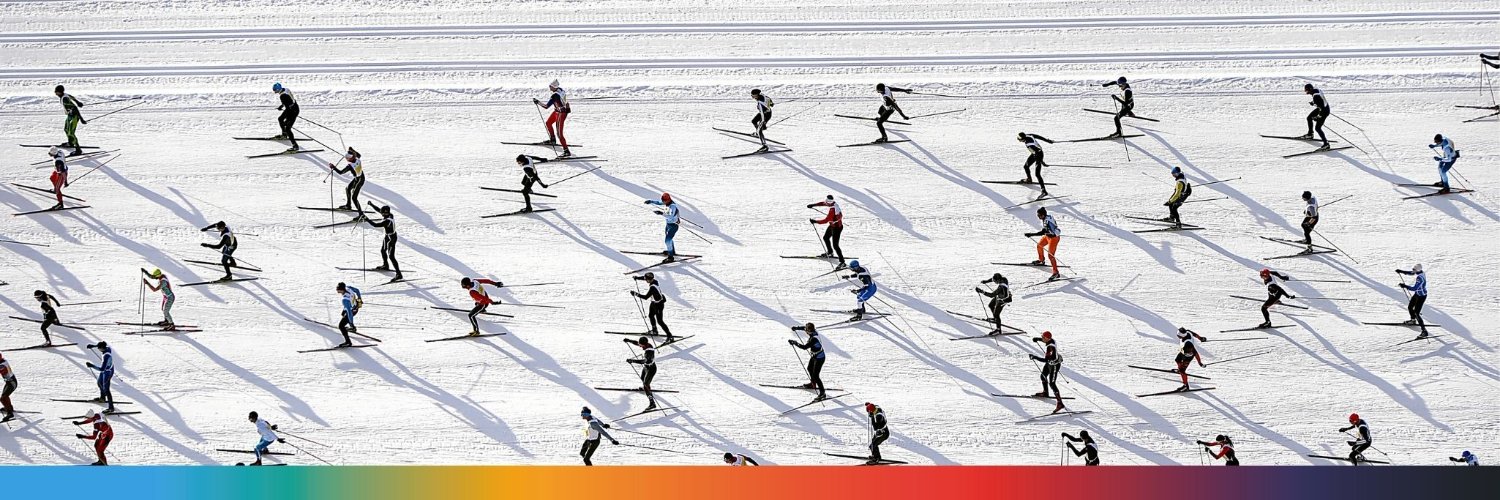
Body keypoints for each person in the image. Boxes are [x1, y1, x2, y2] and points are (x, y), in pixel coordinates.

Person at [363, 204, 403, 281]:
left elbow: (375, 225)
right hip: (387, 236)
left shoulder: (387, 221)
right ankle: (385, 265)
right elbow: (379, 210)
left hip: (391, 238)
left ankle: (399, 274)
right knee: (382, 250)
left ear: (386, 213)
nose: (382, 214)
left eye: (384, 213)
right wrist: (371, 204)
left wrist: (366, 219)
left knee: (391, 256)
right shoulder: (390, 215)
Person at [1029, 331, 1066, 414]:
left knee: (1052, 383)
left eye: (1043, 337)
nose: (1042, 338)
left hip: (1054, 366)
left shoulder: (1051, 348)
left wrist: (1034, 357)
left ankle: (1060, 403)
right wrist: (1037, 339)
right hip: (1049, 364)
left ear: (1047, 338)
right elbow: (1047, 340)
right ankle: (1045, 392)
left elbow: (1046, 360)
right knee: (1043, 376)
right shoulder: (1051, 340)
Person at [534, 79, 572, 157]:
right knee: (548, 123)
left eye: (550, 86)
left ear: (554, 87)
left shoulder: (555, 95)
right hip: (557, 111)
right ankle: (552, 140)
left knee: (560, 134)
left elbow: (546, 106)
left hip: (560, 114)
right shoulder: (560, 90)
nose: (549, 87)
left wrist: (538, 102)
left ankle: (566, 151)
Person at [631, 272, 673, 342]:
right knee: (651, 315)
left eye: (646, 279)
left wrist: (635, 294)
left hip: (659, 305)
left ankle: (670, 336)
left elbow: (645, 297)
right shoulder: (654, 281)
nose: (645, 280)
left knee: (660, 321)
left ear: (649, 279)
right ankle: (654, 330)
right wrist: (637, 278)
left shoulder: (653, 288)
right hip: (653, 303)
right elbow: (644, 278)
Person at [789, 323, 827, 400]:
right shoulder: (813, 331)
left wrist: (795, 342)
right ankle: (812, 384)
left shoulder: (814, 339)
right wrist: (796, 328)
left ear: (809, 331)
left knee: (816, 375)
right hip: (815, 356)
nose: (805, 331)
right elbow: (804, 328)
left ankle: (822, 393)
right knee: (809, 368)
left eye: (806, 330)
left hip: (820, 358)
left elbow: (804, 347)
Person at [808, 194, 846, 268]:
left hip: (837, 228)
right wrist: (813, 205)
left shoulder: (833, 210)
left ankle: (842, 262)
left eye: (827, 203)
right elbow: (823, 203)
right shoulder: (833, 203)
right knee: (826, 238)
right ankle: (830, 252)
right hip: (832, 225)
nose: (826, 204)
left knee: (835, 245)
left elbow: (825, 220)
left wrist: (815, 221)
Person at [1025, 207, 1062, 280]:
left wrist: (1031, 234)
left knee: (1051, 256)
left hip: (1053, 239)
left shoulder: (1047, 221)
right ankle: (1041, 260)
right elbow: (1044, 230)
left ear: (1043, 215)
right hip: (1048, 236)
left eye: (1039, 215)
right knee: (1039, 245)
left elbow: (1047, 231)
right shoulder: (1046, 218)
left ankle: (1056, 273)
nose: (1038, 217)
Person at [625, 336, 659, 411]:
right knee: (642, 379)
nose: (640, 346)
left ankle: (652, 403)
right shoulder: (646, 345)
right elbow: (637, 343)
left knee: (646, 384)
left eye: (641, 345)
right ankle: (647, 388)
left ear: (644, 344)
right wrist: (629, 340)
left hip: (651, 369)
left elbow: (643, 361)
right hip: (646, 367)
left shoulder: (649, 352)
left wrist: (632, 361)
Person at [645, 193, 680, 263]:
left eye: (664, 201)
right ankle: (672, 251)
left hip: (673, 225)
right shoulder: (667, 202)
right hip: (668, 224)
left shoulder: (673, 206)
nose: (663, 202)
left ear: (668, 200)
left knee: (667, 240)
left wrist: (661, 213)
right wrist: (651, 201)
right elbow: (659, 202)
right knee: (669, 239)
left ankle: (670, 257)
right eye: (663, 200)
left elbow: (671, 216)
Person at [1396, 264, 1430, 338]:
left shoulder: (1420, 278)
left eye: (1414, 269)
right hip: (1417, 294)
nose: (1413, 270)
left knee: (1417, 313)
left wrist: (1405, 286)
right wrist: (1401, 271)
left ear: (1417, 270)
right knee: (1410, 307)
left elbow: (1414, 288)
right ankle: (1413, 320)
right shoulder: (1420, 272)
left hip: (1421, 296)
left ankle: (1424, 331)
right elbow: (1412, 273)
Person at [86, 341, 117, 413]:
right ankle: (102, 398)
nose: (98, 350)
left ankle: (111, 408)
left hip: (108, 372)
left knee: (107, 390)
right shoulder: (107, 348)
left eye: (99, 348)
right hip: (105, 370)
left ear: (102, 348)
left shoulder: (106, 356)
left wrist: (91, 365)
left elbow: (102, 369)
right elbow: (99, 345)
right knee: (99, 382)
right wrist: (92, 346)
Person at [1173, 328, 1207, 392]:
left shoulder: (1188, 345)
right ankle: (1179, 370)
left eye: (1178, 336)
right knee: (1177, 360)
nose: (1177, 336)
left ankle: (1186, 386)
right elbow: (1194, 334)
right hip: (1183, 352)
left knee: (1182, 371)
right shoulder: (1187, 332)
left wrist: (1199, 362)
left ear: (1181, 336)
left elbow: (1195, 353)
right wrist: (1200, 338)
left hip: (1188, 357)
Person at [55, 85, 86, 155]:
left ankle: (78, 150)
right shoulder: (65, 95)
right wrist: (78, 102)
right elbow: (72, 97)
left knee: (71, 133)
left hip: (74, 116)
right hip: (70, 115)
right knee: (66, 129)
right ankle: (71, 143)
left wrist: (81, 119)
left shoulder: (65, 99)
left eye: (56, 92)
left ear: (60, 92)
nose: (55, 93)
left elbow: (75, 108)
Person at [1299, 83, 1331, 150]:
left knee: (1318, 128)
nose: (1306, 92)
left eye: (1306, 90)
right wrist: (1314, 103)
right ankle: (1310, 134)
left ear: (1310, 89)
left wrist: (1318, 117)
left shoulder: (1315, 96)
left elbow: (1321, 108)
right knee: (1309, 118)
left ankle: (1326, 144)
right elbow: (1320, 101)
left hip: (1324, 111)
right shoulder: (1316, 90)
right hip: (1324, 108)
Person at [272, 83, 301, 152]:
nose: (275, 92)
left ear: (278, 90)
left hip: (292, 110)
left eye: (275, 90)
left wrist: (287, 121)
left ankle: (295, 146)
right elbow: (288, 100)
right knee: (280, 119)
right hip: (293, 107)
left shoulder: (282, 96)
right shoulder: (286, 89)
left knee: (288, 128)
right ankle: (284, 134)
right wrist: (282, 106)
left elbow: (288, 109)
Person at [335, 282, 363, 347]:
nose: (337, 290)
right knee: (343, 314)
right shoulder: (348, 288)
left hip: (352, 311)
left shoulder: (345, 300)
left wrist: (351, 324)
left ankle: (348, 342)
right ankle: (352, 328)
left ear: (342, 290)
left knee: (341, 326)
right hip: (355, 306)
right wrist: (359, 299)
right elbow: (357, 290)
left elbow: (349, 313)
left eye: (338, 289)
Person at [0, 352, 17, 421]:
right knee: (4, 396)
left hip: (11, 383)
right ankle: (9, 408)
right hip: (10, 382)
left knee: (3, 398)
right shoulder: (3, 361)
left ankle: (10, 414)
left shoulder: (2, 365)